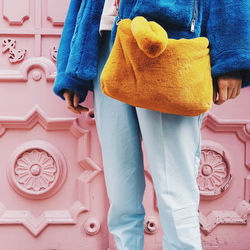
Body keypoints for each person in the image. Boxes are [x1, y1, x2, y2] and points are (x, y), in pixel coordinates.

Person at [53, 0, 250, 249]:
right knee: (121, 194)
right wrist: (71, 71)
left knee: (174, 192)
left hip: (168, 45)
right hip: (107, 45)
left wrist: (231, 56)